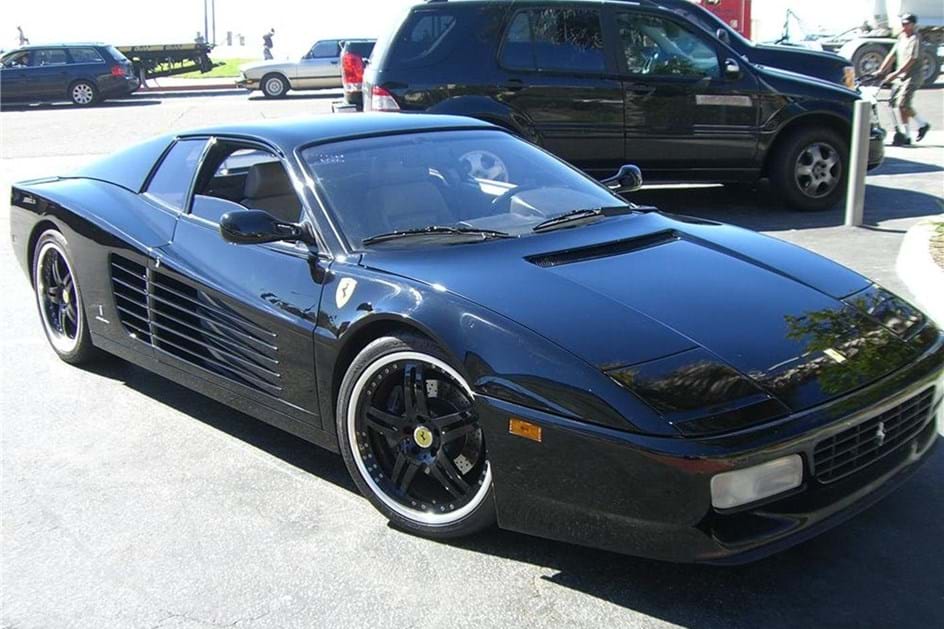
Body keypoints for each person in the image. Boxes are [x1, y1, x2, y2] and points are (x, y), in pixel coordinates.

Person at [877, 13, 931, 146]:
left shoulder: (915, 39)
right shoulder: (901, 37)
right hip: (901, 77)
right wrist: (881, 70)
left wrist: (895, 73)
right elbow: (892, 55)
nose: (905, 26)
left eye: (908, 24)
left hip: (912, 77)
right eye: (903, 23)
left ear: (914, 25)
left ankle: (922, 124)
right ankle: (907, 135)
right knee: (898, 106)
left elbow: (912, 59)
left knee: (903, 104)